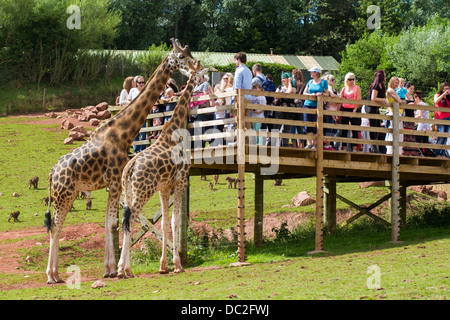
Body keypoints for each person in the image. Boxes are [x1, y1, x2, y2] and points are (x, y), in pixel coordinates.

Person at [303, 66, 329, 149]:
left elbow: (327, 94)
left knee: (316, 125)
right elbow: (305, 93)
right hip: (307, 104)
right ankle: (309, 143)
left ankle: (315, 143)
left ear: (316, 73)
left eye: (312, 72)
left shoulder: (323, 82)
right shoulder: (310, 82)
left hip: (318, 105)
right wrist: (311, 95)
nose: (310, 73)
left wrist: (320, 94)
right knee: (307, 123)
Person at [340, 72, 362, 152]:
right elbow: (340, 99)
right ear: (346, 80)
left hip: (354, 109)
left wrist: (355, 110)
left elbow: (358, 100)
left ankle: (355, 147)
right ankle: (344, 147)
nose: (351, 81)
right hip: (345, 109)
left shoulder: (357, 88)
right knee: (344, 128)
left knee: (354, 128)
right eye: (350, 79)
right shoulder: (344, 88)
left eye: (353, 79)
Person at [385, 77, 406, 155]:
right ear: (391, 82)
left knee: (397, 132)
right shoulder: (391, 90)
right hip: (394, 112)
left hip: (397, 112)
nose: (397, 84)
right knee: (395, 133)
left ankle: (396, 152)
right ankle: (392, 152)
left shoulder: (392, 90)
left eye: (398, 82)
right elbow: (399, 100)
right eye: (395, 82)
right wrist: (403, 101)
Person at [367, 70, 387, 153]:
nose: (386, 77)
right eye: (384, 76)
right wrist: (383, 100)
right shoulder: (375, 86)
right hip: (371, 108)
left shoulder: (381, 86)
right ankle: (373, 146)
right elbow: (373, 98)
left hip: (376, 108)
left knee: (378, 127)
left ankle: (377, 146)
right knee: (373, 127)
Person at [130, 75, 147, 153]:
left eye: (143, 82)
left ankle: (142, 150)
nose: (141, 84)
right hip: (134, 114)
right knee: (135, 132)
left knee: (143, 133)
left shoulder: (146, 90)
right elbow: (128, 100)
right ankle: (136, 150)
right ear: (136, 83)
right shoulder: (133, 90)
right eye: (140, 82)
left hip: (143, 114)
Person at [402, 82, 420, 156]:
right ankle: (404, 152)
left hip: (412, 116)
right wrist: (412, 104)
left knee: (411, 136)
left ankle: (411, 152)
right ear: (407, 88)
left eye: (413, 89)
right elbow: (404, 105)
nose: (412, 90)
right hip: (406, 116)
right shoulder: (404, 95)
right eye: (411, 89)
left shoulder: (412, 96)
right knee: (406, 135)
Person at [434, 82, 450, 158]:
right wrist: (443, 95)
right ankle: (437, 153)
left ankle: (442, 153)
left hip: (448, 118)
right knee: (441, 136)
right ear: (442, 89)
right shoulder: (438, 95)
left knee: (446, 137)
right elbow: (436, 101)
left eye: (448, 88)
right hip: (441, 118)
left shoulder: (449, 97)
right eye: (445, 88)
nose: (447, 90)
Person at [414, 90, 433, 156]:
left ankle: (419, 153)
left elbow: (420, 115)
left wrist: (414, 118)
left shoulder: (420, 104)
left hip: (422, 125)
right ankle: (426, 155)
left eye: (415, 99)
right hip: (427, 125)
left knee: (418, 140)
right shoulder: (425, 104)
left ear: (417, 98)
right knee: (426, 141)